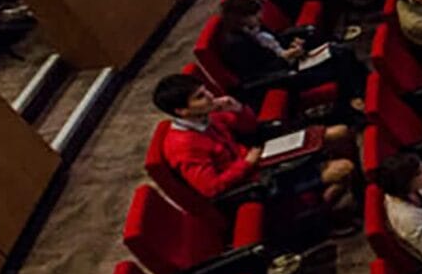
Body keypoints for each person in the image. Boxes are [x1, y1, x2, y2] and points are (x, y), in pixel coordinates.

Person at [151, 73, 357, 214]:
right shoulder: (183, 146)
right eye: (200, 97)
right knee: (344, 169)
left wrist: (237, 108)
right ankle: (319, 214)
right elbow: (211, 188)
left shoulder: (206, 115)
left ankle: (349, 193)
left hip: (261, 159)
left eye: (206, 91)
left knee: (340, 132)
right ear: (181, 111)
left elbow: (250, 128)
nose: (210, 97)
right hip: (255, 183)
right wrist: (247, 164)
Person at [213, 0, 365, 106]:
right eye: (254, 15)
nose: (260, 17)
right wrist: (286, 57)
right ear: (240, 18)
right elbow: (258, 74)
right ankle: (355, 98)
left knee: (341, 50)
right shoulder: (236, 45)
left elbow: (275, 41)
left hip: (290, 62)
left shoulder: (251, 26)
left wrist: (292, 44)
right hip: (284, 77)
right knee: (339, 59)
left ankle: (363, 91)